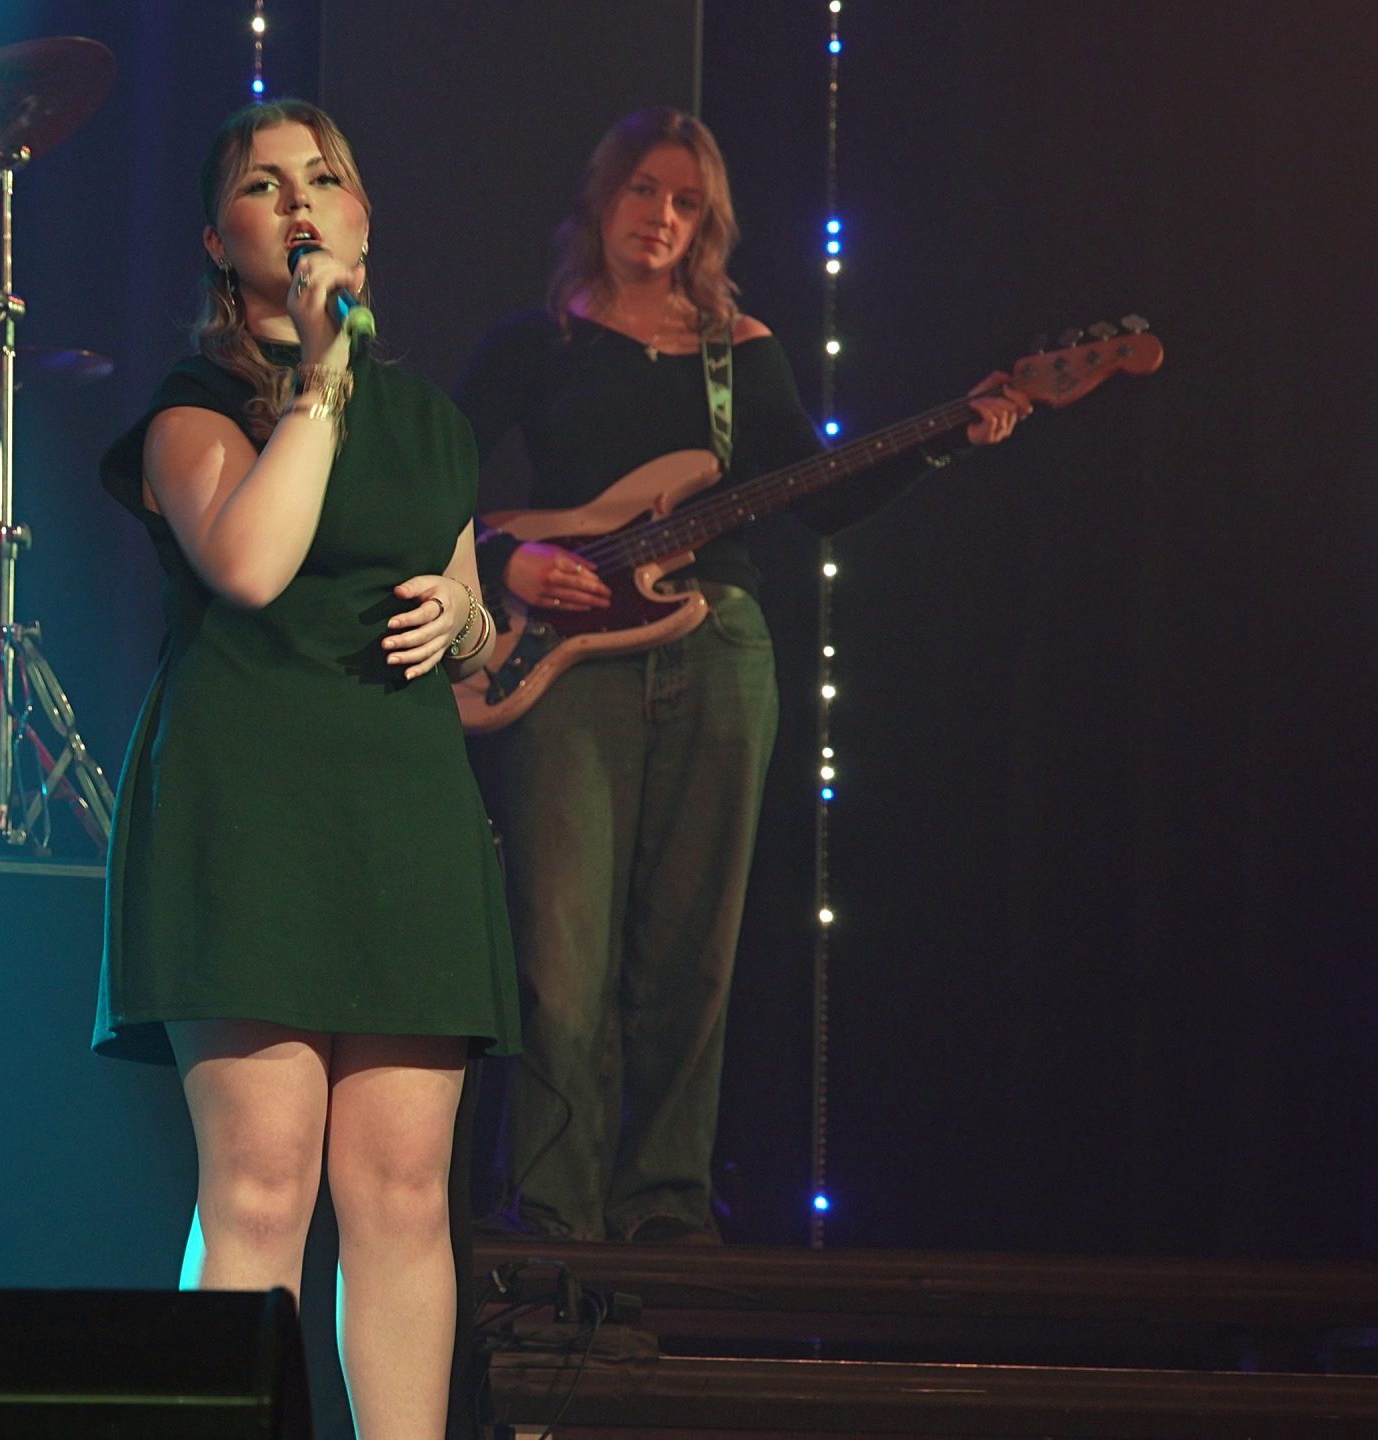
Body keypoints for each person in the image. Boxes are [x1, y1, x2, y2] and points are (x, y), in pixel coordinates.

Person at [454, 107, 1030, 1244]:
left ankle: (665, 1210)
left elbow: (820, 499)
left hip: (718, 649)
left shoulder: (739, 349)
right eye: (644, 191)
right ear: (602, 199)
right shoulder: (535, 343)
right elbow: (428, 483)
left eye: (687, 202)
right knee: (559, 960)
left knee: (691, 957)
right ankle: (552, 1217)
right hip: (570, 665)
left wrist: (947, 436)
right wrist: (502, 556)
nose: (661, 218)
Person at [94, 100, 522, 1439]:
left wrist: (469, 621)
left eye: (323, 179)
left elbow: (471, 632)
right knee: (263, 1185)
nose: (298, 202)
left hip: (401, 805)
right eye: (264, 186)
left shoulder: (434, 425)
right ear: (219, 241)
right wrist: (322, 384)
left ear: (363, 222)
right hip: (248, 804)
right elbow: (253, 563)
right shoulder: (192, 411)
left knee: (400, 1192)